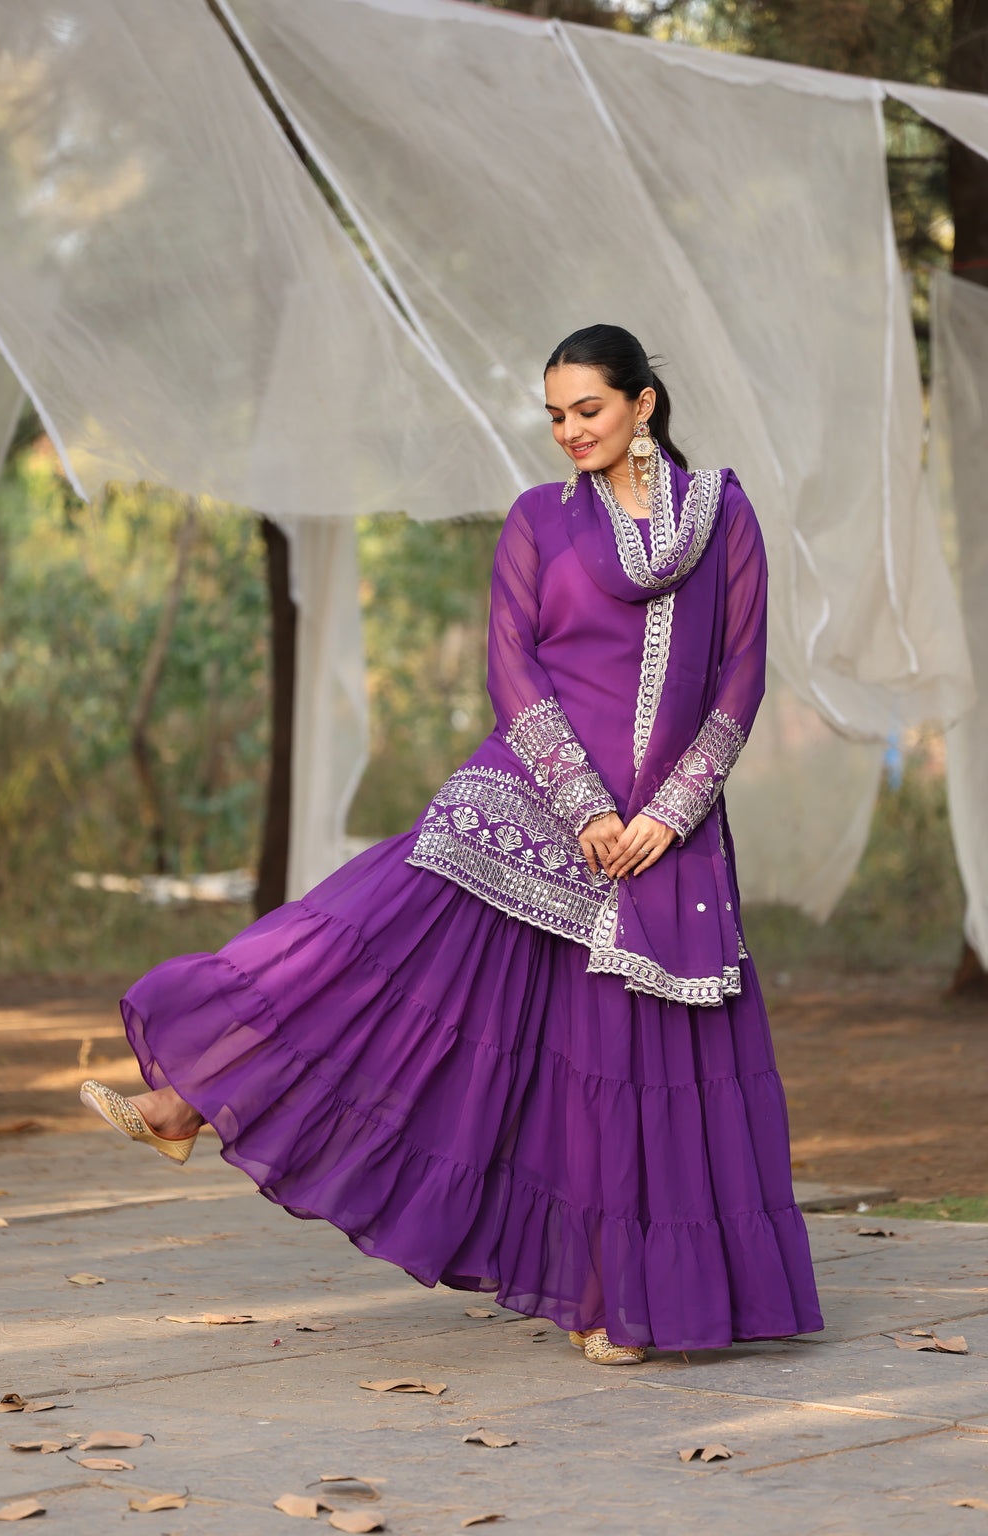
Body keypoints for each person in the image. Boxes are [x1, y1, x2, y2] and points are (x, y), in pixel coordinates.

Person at [81, 323, 823, 1365]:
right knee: (370, 939)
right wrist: (586, 806)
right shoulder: (536, 523)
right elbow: (512, 670)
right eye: (555, 414)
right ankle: (190, 1091)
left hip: (667, 832)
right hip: (534, 795)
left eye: (588, 409)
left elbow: (740, 676)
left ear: (643, 404)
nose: (568, 430)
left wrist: (665, 814)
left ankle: (623, 1298)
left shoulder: (723, 516)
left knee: (619, 1050)